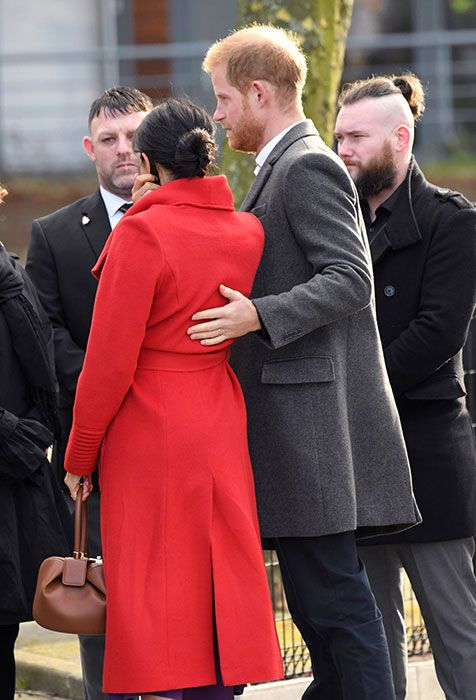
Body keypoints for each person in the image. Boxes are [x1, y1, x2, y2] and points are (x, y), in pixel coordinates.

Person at [186, 24, 420, 700]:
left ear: (260, 92)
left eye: (226, 99)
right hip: (299, 435)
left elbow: (352, 278)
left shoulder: (307, 165)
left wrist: (259, 314)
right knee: (324, 617)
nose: (221, 114)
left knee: (338, 610)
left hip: (311, 437)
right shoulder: (286, 166)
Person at [63, 97, 284, 700]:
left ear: (148, 163)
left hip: (148, 419)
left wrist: (80, 456)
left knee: (158, 587)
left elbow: (108, 364)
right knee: (219, 571)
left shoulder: (142, 232)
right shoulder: (246, 229)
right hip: (217, 409)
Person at [335, 73, 476, 700]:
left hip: (427, 451)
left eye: (357, 137)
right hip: (355, 457)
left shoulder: (452, 221)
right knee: (370, 634)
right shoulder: (336, 220)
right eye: (338, 136)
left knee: (456, 631)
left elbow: (437, 334)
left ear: (401, 137)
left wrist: (350, 387)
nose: (343, 149)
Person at [26, 86, 152, 700]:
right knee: (97, 605)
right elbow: (42, 328)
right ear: (89, 148)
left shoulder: (193, 219)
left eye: (134, 136)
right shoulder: (52, 234)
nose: (124, 150)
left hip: (169, 443)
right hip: (93, 451)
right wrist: (106, 379)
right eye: (109, 139)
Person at [0, 184, 70, 700]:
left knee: (3, 635)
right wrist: (18, 437)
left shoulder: (11, 274)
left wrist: (32, 436)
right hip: (15, 458)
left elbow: (44, 375)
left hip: (12, 485)